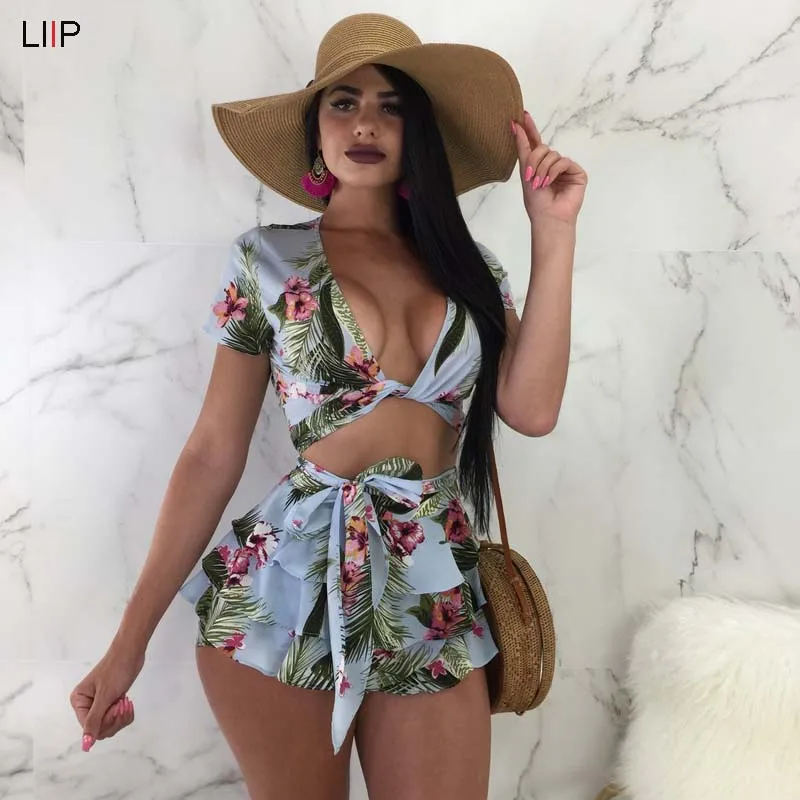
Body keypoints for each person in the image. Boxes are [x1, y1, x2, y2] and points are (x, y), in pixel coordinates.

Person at [69, 12, 587, 800]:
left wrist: (553, 233)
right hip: (284, 585)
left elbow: (533, 409)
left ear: (421, 135)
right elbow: (211, 452)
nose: (366, 124)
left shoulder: (471, 269)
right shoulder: (268, 260)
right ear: (315, 131)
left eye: (392, 106)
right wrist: (126, 647)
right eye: (343, 103)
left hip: (430, 588)